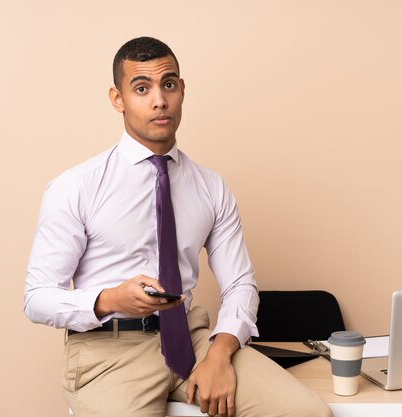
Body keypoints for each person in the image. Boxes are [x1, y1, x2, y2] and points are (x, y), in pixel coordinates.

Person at [24, 36, 333, 417]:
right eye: (141, 88)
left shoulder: (210, 186)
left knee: (306, 413)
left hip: (192, 338)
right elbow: (36, 297)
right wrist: (110, 300)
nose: (159, 100)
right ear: (117, 99)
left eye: (168, 84)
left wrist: (220, 351)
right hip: (109, 350)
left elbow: (240, 284)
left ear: (182, 90)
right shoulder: (76, 187)